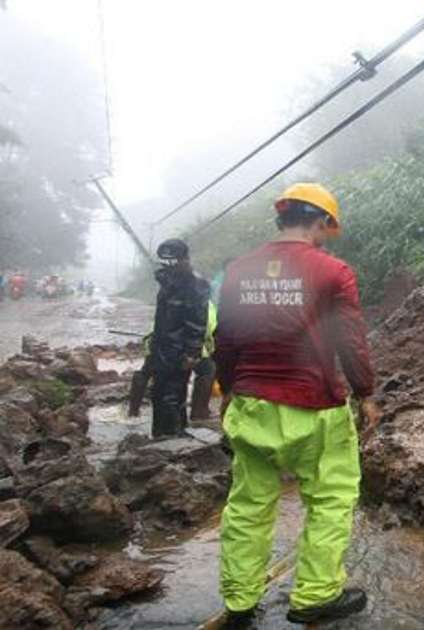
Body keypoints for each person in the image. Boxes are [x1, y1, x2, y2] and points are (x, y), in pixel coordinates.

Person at [213, 182, 379, 627]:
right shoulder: (333, 272)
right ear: (321, 221)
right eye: (328, 227)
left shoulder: (239, 270)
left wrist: (228, 389)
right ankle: (314, 596)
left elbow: (225, 339)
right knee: (331, 499)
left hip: (252, 403)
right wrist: (365, 394)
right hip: (315, 407)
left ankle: (240, 602)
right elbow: (351, 340)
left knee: (248, 505)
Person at [147, 239, 210, 438]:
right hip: (161, 347)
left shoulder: (195, 283)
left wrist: (192, 352)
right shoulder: (167, 281)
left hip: (179, 349)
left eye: (173, 262)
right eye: (164, 263)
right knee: (159, 393)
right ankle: (163, 434)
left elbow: (197, 321)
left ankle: (172, 438)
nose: (168, 267)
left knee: (172, 394)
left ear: (184, 259)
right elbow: (163, 318)